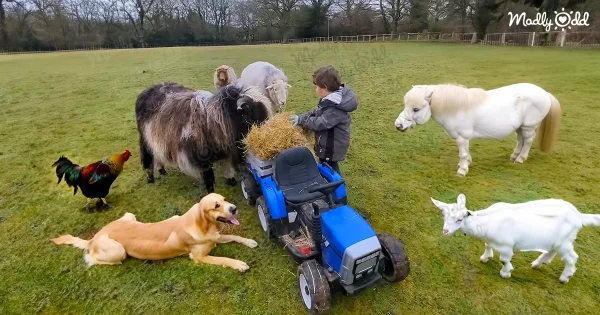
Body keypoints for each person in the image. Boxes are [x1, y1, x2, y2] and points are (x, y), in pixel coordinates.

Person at [289, 65, 358, 175]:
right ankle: (332, 184)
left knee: (330, 169)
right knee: (328, 167)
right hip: (328, 144)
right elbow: (316, 112)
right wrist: (301, 117)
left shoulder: (335, 108)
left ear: (325, 87)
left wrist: (302, 121)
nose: (316, 90)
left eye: (317, 87)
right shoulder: (330, 99)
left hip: (331, 147)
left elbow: (318, 123)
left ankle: (336, 189)